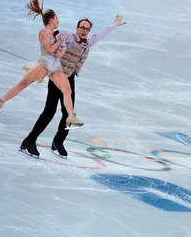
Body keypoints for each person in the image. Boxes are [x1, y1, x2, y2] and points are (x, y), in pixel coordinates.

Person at [20, 15, 126, 158]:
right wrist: (57, 35)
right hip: (57, 76)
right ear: (77, 28)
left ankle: (58, 142)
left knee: (69, 114)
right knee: (49, 111)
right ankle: (29, 141)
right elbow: (59, 33)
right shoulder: (70, 38)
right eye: (82, 27)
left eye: (87, 29)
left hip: (69, 78)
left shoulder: (88, 41)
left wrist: (114, 25)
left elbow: (101, 34)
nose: (84, 30)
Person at [0, 0, 84, 150]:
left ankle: (70, 116)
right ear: (51, 20)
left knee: (67, 89)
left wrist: (62, 49)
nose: (58, 21)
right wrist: (59, 44)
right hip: (45, 63)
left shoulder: (57, 34)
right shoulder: (43, 33)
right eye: (57, 19)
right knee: (24, 83)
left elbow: (59, 49)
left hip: (56, 66)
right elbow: (50, 50)